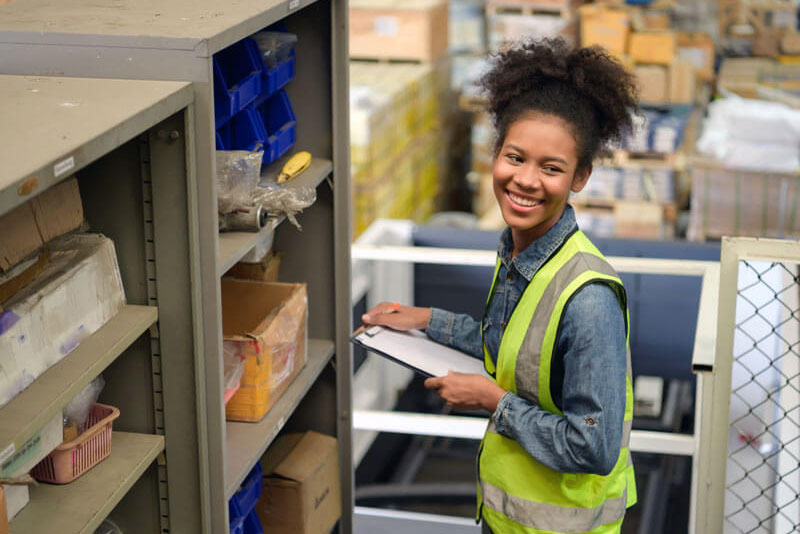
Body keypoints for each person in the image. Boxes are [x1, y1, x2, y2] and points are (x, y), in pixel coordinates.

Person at [361, 37, 639, 534]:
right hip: (508, 518)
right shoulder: (518, 250)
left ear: (580, 177)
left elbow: (594, 447)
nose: (526, 180)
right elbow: (508, 347)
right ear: (495, 154)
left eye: (551, 168)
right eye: (515, 157)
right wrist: (426, 320)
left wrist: (493, 402)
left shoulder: (589, 299)